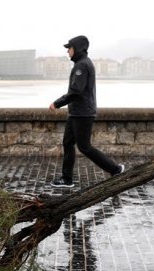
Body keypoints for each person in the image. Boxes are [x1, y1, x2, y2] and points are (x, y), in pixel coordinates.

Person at [49, 35, 124, 188]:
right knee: (68, 143)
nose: (67, 52)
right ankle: (67, 179)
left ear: (76, 49)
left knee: (84, 147)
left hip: (82, 113)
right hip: (77, 112)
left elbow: (76, 91)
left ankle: (115, 169)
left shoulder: (82, 66)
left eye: (69, 48)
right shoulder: (81, 64)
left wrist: (57, 103)